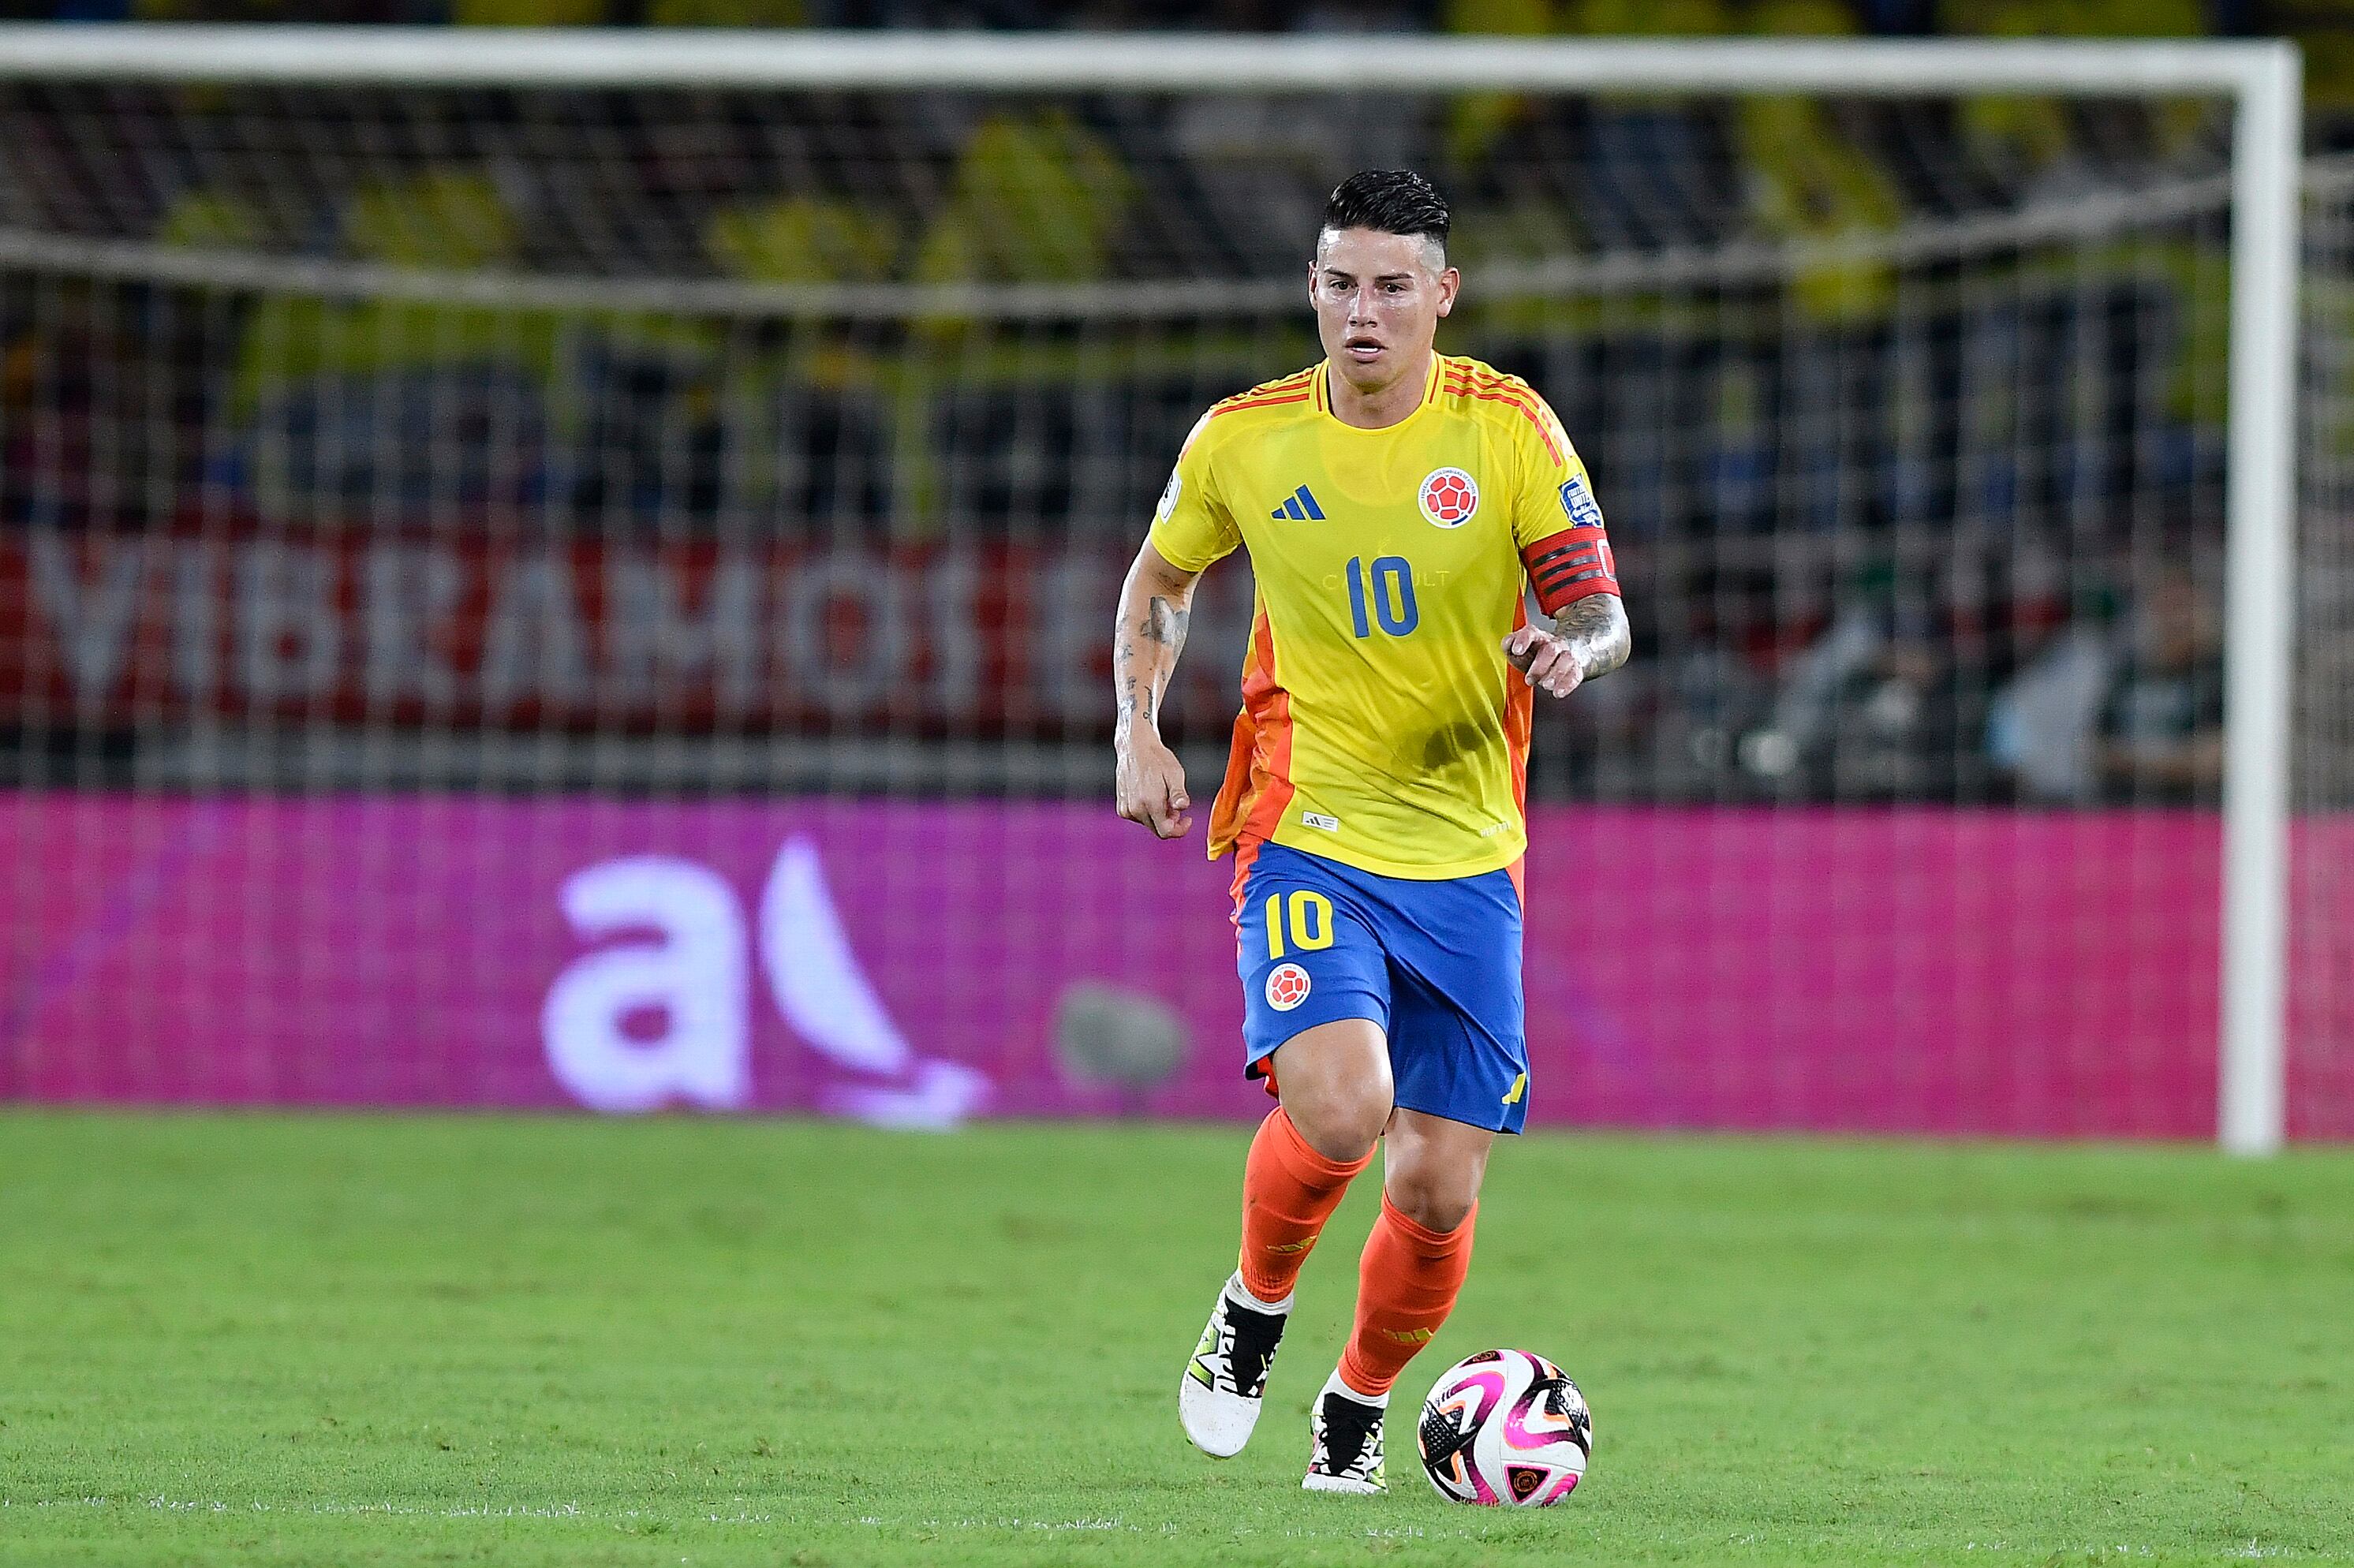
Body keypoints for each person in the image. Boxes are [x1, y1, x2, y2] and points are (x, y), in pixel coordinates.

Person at [1107, 169, 1631, 1494]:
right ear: (1312, 290)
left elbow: (1599, 607)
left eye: (1393, 287)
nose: (1364, 312)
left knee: (1438, 1189)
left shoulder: (1509, 429)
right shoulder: (1245, 439)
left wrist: (1571, 649)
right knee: (1342, 1110)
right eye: (1341, 284)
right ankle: (1253, 1309)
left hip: (1468, 855)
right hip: (1308, 825)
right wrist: (1136, 728)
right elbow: (1162, 575)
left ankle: (1358, 1404)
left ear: (1442, 296)